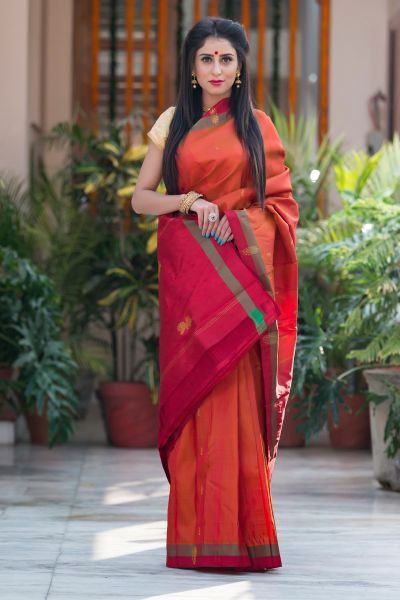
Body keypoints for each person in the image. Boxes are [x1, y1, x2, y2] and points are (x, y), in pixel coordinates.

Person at [131, 16, 299, 572]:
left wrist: (238, 220)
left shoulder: (258, 127)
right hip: (195, 281)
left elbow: (281, 207)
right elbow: (141, 199)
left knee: (235, 407)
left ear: (241, 66)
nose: (218, 69)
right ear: (193, 67)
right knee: (197, 401)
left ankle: (244, 539)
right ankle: (197, 539)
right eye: (207, 59)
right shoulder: (172, 123)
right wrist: (189, 202)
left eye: (227, 59)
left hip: (241, 285)